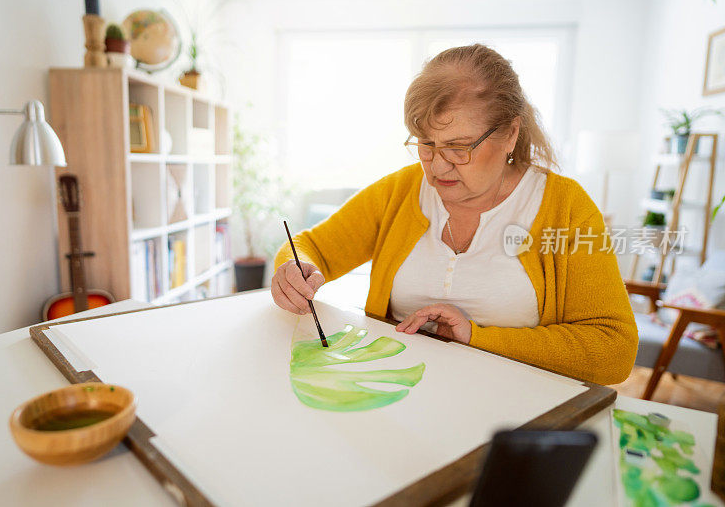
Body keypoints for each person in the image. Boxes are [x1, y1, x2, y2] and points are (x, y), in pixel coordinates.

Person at [272, 44, 637, 385]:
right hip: (399, 400)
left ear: (510, 133)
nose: (438, 166)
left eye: (459, 147)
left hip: (513, 413)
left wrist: (476, 337)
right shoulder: (400, 191)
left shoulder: (565, 207)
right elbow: (307, 246)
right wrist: (294, 269)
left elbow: (614, 350)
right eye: (425, 144)